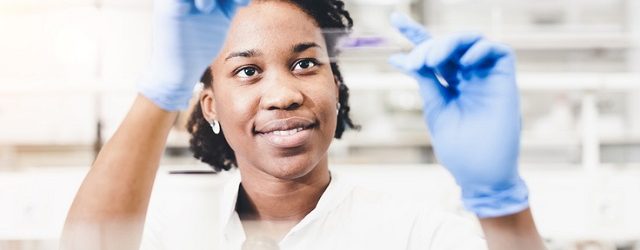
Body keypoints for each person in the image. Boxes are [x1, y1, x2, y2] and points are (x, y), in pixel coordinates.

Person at [61, 0, 547, 249]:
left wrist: (500, 201)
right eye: (247, 72)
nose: (284, 94)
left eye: (305, 64)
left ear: (336, 85)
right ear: (210, 106)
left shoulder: (413, 234)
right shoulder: (167, 228)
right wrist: (160, 93)